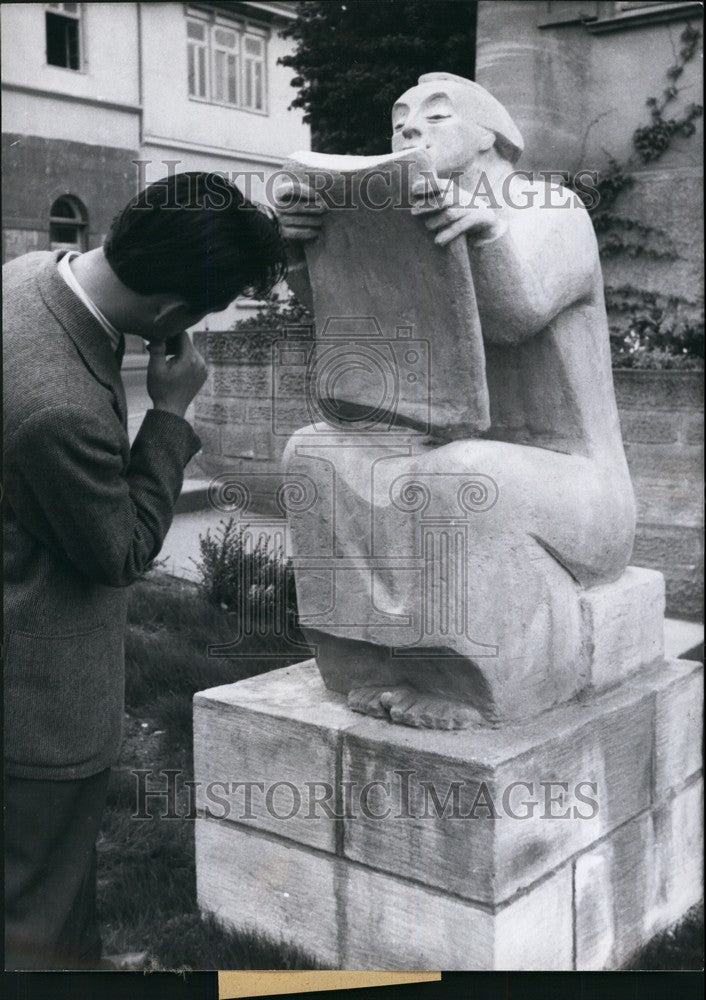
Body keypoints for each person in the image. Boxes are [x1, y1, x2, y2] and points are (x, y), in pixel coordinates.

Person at [276, 73, 636, 728]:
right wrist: (309, 251)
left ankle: (478, 683)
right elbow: (362, 329)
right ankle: (364, 658)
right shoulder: (414, 219)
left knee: (462, 476)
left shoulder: (551, 212)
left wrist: (488, 235)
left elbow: (514, 314)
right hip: (454, 445)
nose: (410, 128)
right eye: (400, 120)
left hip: (581, 484)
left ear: (492, 136)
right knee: (314, 454)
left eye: (437, 116)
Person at [3, 171, 287, 968]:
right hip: (34, 699)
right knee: (33, 905)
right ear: (170, 316)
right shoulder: (54, 405)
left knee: (49, 883)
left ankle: (78, 952)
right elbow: (122, 550)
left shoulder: (30, 274)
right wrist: (169, 414)